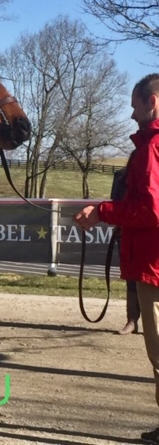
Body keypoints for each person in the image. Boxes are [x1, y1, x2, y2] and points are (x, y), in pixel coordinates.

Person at [74, 73, 159, 444]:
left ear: (151, 102)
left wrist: (103, 212)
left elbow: (152, 210)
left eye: (134, 104)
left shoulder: (152, 148)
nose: (130, 113)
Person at [110, 167, 140, 335]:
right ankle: (132, 320)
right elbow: (115, 204)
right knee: (131, 276)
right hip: (128, 231)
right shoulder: (121, 176)